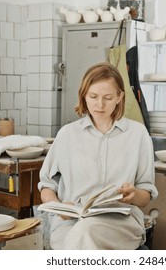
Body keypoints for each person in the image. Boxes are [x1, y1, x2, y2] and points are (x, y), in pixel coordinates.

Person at [38, 62, 158, 250]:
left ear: (120, 97)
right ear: (84, 95)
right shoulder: (67, 134)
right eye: (93, 96)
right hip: (70, 222)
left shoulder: (137, 134)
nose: (100, 105)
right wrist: (59, 207)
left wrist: (133, 195)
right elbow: (46, 185)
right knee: (78, 236)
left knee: (84, 234)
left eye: (108, 98)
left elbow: (145, 195)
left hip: (120, 222)